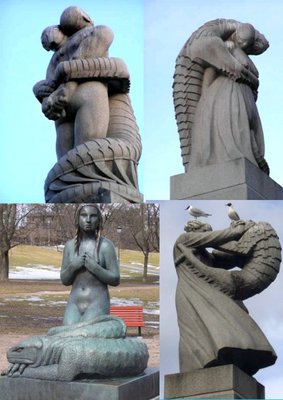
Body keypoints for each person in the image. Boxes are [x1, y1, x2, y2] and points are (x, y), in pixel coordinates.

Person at [174, 219, 276, 375]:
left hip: (208, 293)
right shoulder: (184, 240)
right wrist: (239, 229)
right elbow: (218, 237)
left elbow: (227, 257)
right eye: (206, 233)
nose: (208, 236)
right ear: (196, 232)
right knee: (198, 333)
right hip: (192, 292)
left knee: (226, 325)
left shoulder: (206, 256)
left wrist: (253, 244)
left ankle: (234, 357)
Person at [60, 204, 120, 325]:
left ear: (99, 220)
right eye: (83, 215)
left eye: (93, 216)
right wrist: (73, 266)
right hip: (75, 302)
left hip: (97, 302)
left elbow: (115, 279)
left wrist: (95, 268)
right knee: (68, 334)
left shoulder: (106, 246)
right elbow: (65, 280)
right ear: (77, 219)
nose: (88, 220)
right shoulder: (70, 246)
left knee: (87, 335)